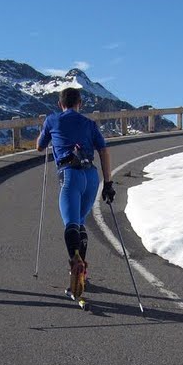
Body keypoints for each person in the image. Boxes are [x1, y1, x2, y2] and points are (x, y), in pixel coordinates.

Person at [36, 87, 114, 301]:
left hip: (70, 174)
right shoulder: (90, 124)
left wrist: (48, 134)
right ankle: (82, 276)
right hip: (91, 177)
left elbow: (39, 147)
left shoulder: (53, 120)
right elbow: (104, 151)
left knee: (70, 223)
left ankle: (75, 265)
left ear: (60, 104)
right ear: (80, 104)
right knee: (80, 223)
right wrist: (108, 183)